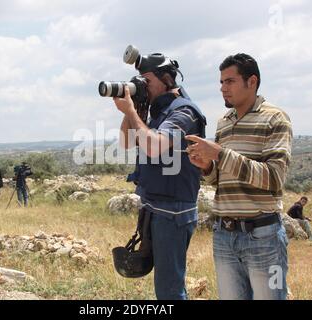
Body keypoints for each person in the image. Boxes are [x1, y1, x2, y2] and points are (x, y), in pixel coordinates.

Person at [186, 53, 292, 300]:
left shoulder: (275, 118)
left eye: (230, 81)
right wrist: (207, 168)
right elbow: (222, 180)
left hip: (263, 238)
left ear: (251, 81)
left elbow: (274, 178)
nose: (223, 88)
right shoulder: (224, 122)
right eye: (221, 82)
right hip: (224, 235)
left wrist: (220, 155)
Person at [114, 49, 206, 300]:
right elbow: (125, 142)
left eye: (147, 82)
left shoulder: (184, 112)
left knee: (169, 290)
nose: (141, 87)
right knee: (163, 288)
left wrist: (132, 112)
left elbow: (154, 147)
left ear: (167, 79)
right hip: (156, 208)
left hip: (174, 213)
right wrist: (130, 112)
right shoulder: (157, 113)